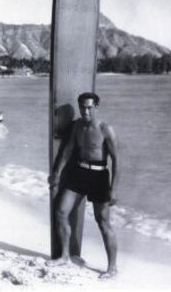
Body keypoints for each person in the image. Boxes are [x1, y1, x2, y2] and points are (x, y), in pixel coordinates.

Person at [48, 92, 119, 279]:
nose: (85, 111)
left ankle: (112, 268)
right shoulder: (78, 125)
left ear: (96, 107)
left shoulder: (106, 129)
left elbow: (117, 161)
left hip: (99, 176)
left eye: (89, 107)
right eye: (82, 107)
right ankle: (64, 255)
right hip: (79, 172)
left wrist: (114, 189)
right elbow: (68, 149)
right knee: (61, 211)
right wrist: (57, 173)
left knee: (103, 222)